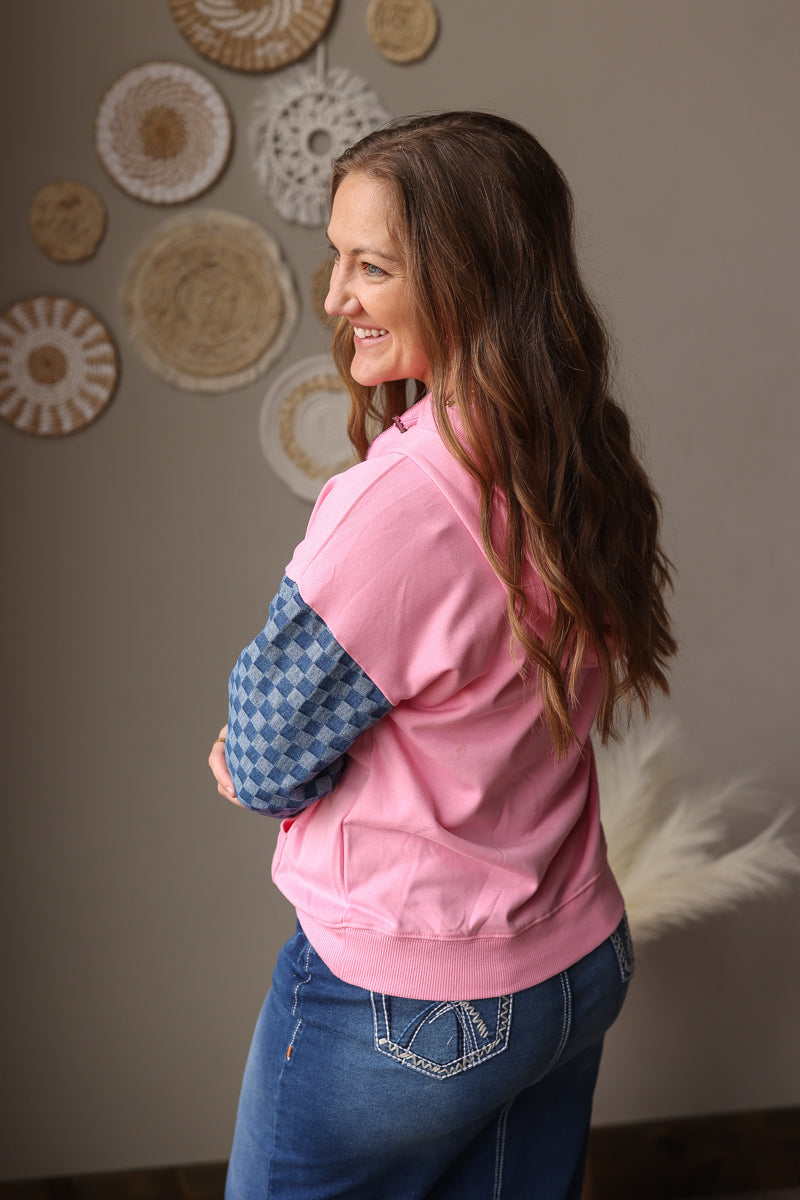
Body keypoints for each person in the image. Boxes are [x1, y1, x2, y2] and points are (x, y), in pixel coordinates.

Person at [209, 111, 676, 1200]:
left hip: (411, 1011)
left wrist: (241, 755)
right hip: (570, 971)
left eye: (369, 266)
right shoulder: (573, 456)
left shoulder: (399, 504)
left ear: (469, 278)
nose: (334, 298)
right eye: (337, 259)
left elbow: (267, 757)